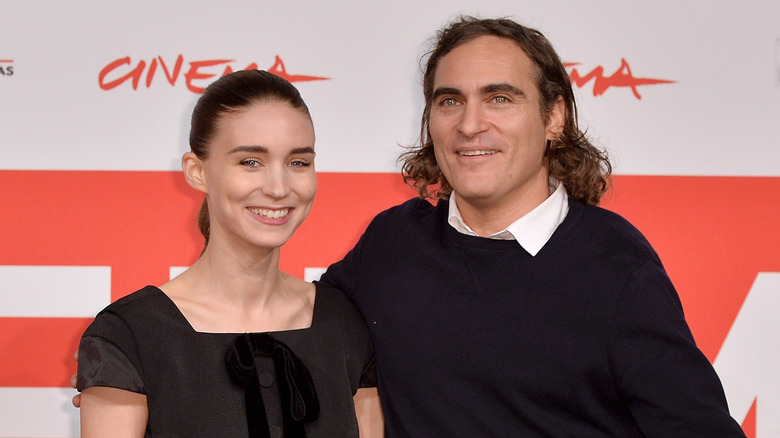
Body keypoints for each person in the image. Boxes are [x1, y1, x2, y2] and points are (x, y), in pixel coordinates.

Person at [320, 16, 747, 436]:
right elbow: (301, 329)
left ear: (554, 117)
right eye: (449, 100)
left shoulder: (616, 267)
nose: (469, 125)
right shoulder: (392, 242)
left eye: (500, 99)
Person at [76, 69, 376, 437]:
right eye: (250, 161)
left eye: (298, 162)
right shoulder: (130, 336)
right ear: (197, 171)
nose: (279, 187)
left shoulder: (343, 324)